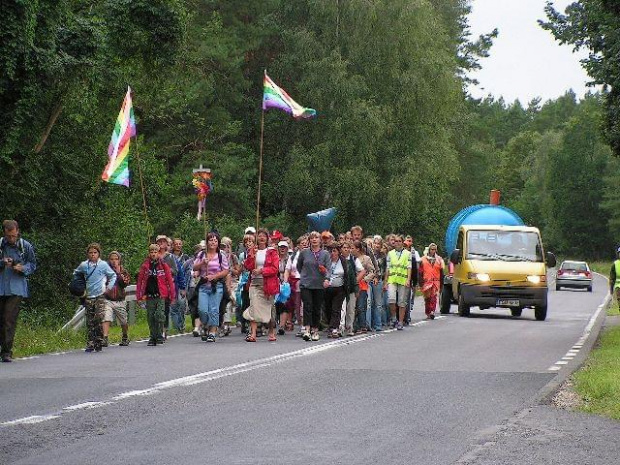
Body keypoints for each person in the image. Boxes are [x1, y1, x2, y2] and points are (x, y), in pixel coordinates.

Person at [0, 220, 36, 362]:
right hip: (1, 286)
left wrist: (23, 268)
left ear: (18, 232)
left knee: (9, 319)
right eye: (9, 236)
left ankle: (7, 352)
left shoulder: (25, 246)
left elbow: (32, 264)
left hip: (16, 288)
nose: (11, 239)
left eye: (14, 236)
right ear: (4, 233)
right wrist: (3, 262)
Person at [74, 243, 117, 352]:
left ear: (98, 254)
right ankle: (90, 343)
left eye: (95, 252)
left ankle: (98, 340)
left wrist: (109, 288)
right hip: (89, 296)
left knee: (98, 318)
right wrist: (79, 287)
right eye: (90, 253)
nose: (93, 255)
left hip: (100, 296)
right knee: (90, 320)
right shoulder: (84, 265)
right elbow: (76, 274)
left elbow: (113, 275)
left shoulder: (103, 265)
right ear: (87, 254)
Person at [243, 228, 279, 342]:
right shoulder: (253, 250)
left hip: (267, 284)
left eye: (264, 236)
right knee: (254, 307)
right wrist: (251, 256)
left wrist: (261, 271)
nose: (261, 237)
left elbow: (274, 268)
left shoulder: (272, 252)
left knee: (269, 309)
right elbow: (248, 266)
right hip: (254, 284)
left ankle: (271, 331)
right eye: (259, 235)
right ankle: (253, 334)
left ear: (267, 238)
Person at [136, 244, 176, 346]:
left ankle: (159, 335)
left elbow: (169, 281)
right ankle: (152, 337)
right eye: (151, 252)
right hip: (149, 296)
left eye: (155, 252)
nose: (153, 254)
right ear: (149, 253)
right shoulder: (145, 266)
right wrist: (139, 296)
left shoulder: (163, 265)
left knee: (159, 315)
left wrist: (172, 295)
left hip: (161, 295)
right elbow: (140, 281)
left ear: (159, 253)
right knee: (150, 317)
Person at [194, 232, 229, 343]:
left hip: (216, 285)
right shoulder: (201, 255)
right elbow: (194, 267)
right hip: (204, 285)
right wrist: (202, 264)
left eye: (215, 240)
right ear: (207, 242)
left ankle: (212, 332)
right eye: (211, 240)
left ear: (218, 243)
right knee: (202, 310)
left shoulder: (221, 256)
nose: (213, 242)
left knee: (214, 309)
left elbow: (226, 270)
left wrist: (215, 276)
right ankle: (206, 325)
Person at [297, 231, 331, 341]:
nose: (314, 239)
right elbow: (299, 266)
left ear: (320, 240)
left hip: (319, 284)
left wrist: (326, 279)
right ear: (309, 240)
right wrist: (304, 275)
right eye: (312, 238)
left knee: (316, 308)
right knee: (307, 306)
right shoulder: (304, 253)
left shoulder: (325, 254)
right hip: (306, 283)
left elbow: (329, 269)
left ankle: (315, 330)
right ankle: (307, 329)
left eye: (316, 237)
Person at [102, 251, 131, 347]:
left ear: (119, 260)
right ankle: (105, 338)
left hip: (119, 300)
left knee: (123, 321)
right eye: (112, 259)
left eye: (116, 259)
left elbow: (125, 284)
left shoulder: (123, 271)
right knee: (106, 317)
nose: (114, 261)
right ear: (109, 260)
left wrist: (119, 274)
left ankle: (125, 336)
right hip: (108, 299)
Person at [383, 234, 412, 330]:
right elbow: (387, 268)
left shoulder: (407, 253)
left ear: (402, 242)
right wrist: (385, 282)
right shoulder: (390, 253)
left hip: (403, 280)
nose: (397, 243)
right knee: (391, 299)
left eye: (399, 241)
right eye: (396, 241)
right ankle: (394, 317)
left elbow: (409, 267)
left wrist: (408, 279)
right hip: (392, 279)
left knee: (401, 302)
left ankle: (400, 321)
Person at [156, 235, 179, 341]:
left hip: (166, 286)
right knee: (156, 309)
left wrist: (166, 270)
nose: (161, 243)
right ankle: (156, 329)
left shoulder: (170, 257)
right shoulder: (153, 255)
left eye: (163, 241)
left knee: (165, 309)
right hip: (155, 285)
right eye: (159, 241)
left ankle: (164, 329)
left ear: (166, 244)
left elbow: (175, 271)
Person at [324, 244, 348, 338]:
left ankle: (334, 328)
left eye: (334, 251)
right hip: (327, 289)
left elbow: (347, 274)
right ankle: (330, 326)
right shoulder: (326, 261)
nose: (332, 253)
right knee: (328, 308)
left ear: (338, 252)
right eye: (330, 251)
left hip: (339, 288)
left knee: (336, 309)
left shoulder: (343, 261)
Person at [352, 240, 375, 332]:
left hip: (362, 285)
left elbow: (372, 271)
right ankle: (353, 325)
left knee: (361, 306)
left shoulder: (366, 258)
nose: (350, 250)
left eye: (352, 248)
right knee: (353, 306)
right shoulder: (350, 258)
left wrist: (365, 279)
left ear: (357, 249)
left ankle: (363, 326)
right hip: (352, 286)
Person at [418, 243, 445, 319]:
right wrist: (420, 283)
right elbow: (420, 272)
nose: (433, 251)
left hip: (435, 282)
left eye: (434, 249)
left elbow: (442, 272)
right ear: (429, 250)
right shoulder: (423, 259)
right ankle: (428, 312)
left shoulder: (439, 259)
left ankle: (432, 311)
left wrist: (442, 283)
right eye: (432, 249)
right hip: (426, 281)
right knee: (427, 298)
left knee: (433, 297)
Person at [170, 238, 189, 333]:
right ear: (173, 245)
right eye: (176, 244)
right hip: (172, 284)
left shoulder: (185, 257)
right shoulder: (169, 257)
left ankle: (181, 324)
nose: (178, 245)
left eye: (179, 244)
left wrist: (185, 286)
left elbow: (188, 271)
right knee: (173, 307)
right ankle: (176, 328)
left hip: (182, 284)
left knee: (181, 305)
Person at [276, 240, 292, 335]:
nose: (282, 249)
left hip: (286, 284)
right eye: (280, 247)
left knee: (284, 304)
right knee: (275, 304)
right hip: (275, 283)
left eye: (284, 247)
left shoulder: (290, 259)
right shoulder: (274, 258)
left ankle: (282, 326)